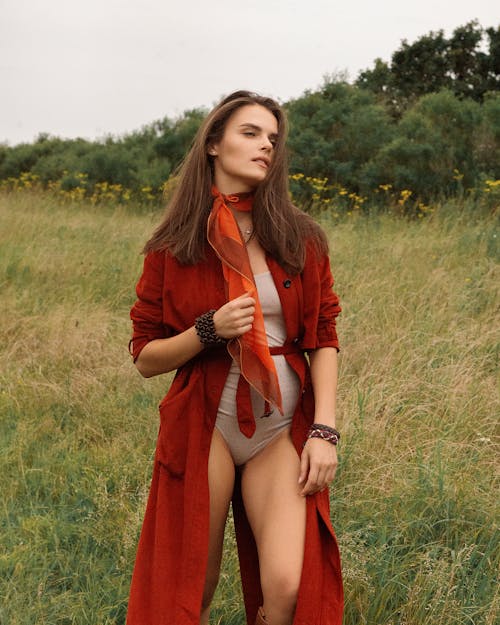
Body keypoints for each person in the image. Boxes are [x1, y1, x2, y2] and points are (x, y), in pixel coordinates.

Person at [127, 90, 343, 625]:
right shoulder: (173, 246)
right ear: (213, 145)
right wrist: (208, 329)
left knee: (288, 586)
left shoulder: (300, 237)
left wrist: (325, 430)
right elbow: (145, 356)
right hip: (208, 424)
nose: (266, 145)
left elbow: (324, 336)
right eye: (251, 133)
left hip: (280, 427)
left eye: (272, 138)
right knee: (192, 584)